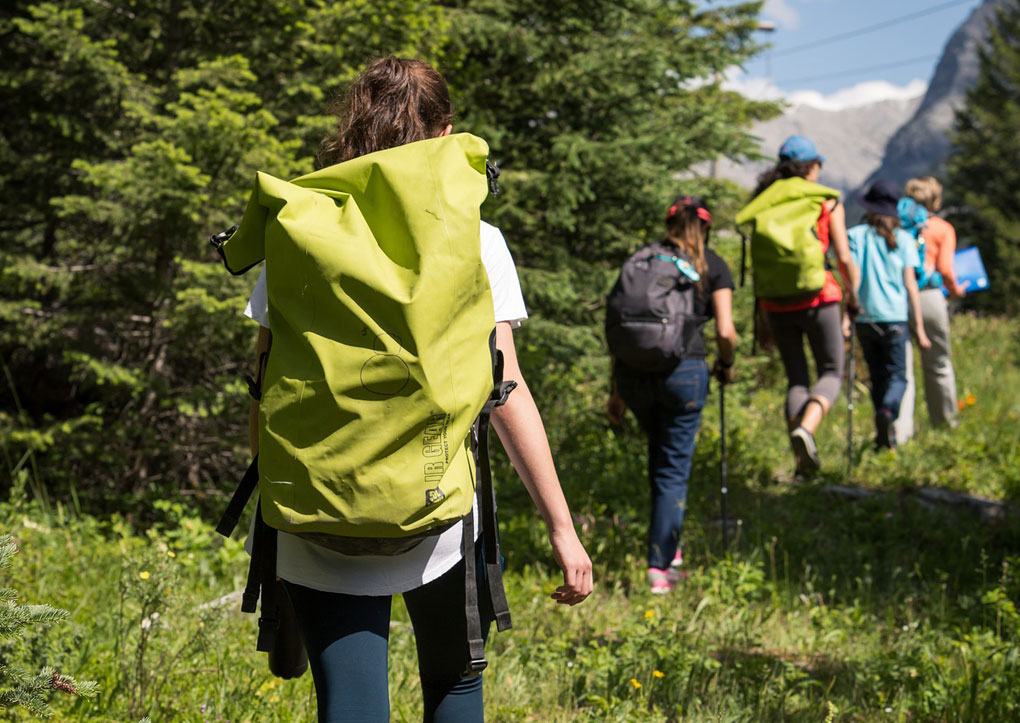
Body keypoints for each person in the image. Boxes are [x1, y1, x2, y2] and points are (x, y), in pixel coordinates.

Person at [241, 57, 592, 722]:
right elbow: (505, 389)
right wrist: (562, 527)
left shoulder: (296, 232)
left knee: (350, 703)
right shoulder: (476, 241)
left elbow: (263, 391)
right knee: (455, 683)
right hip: (439, 509)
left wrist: (279, 507)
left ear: (352, 134)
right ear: (447, 134)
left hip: (317, 510)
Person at [606, 195, 737, 594]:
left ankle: (669, 544)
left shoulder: (644, 260)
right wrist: (726, 364)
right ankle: (660, 566)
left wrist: (616, 392)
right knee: (673, 470)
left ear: (669, 225)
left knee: (659, 459)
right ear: (706, 227)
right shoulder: (712, 265)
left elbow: (620, 327)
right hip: (685, 375)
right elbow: (727, 332)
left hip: (633, 377)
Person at [742, 136, 860, 475]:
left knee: (797, 379)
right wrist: (853, 298)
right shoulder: (824, 200)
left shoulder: (765, 202)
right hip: (819, 296)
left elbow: (757, 265)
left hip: (775, 303)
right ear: (810, 166)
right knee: (831, 371)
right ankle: (806, 429)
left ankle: (800, 464)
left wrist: (763, 317)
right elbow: (844, 257)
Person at [848, 180, 931, 449]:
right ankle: (888, 414)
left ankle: (882, 435)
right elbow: (911, 286)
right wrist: (918, 328)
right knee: (898, 376)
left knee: (877, 377)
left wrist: (846, 316)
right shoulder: (905, 240)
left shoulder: (856, 236)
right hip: (895, 318)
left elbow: (853, 277)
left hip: (865, 319)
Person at [893, 176, 964, 443]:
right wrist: (956, 291)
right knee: (939, 364)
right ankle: (945, 426)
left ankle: (901, 432)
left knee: (904, 369)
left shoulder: (897, 226)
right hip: (929, 298)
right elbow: (945, 269)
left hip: (899, 298)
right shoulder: (942, 228)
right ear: (935, 198)